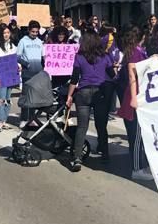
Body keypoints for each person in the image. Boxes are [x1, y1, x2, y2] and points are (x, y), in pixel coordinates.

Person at [65, 30, 115, 171]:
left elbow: (74, 79)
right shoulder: (105, 57)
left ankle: (77, 158)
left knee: (82, 127)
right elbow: (112, 75)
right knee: (101, 125)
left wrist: (69, 96)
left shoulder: (79, 57)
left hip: (83, 93)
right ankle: (105, 154)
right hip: (100, 93)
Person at [116, 25, 152, 181]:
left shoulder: (135, 51)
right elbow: (132, 76)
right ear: (141, 37)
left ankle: (139, 166)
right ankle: (136, 169)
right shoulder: (136, 53)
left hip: (135, 95)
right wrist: (134, 98)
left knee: (137, 135)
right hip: (134, 96)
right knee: (136, 136)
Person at [16, 20, 45, 127]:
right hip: (27, 73)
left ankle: (32, 118)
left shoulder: (39, 42)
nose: (35, 34)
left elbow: (43, 57)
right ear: (29, 30)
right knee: (25, 96)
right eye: (33, 32)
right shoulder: (23, 41)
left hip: (38, 73)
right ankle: (23, 119)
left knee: (34, 97)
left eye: (36, 32)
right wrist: (26, 64)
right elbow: (17, 57)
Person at [0, 22, 17, 132]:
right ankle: (0, 121)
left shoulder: (12, 46)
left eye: (8, 32)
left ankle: (4, 120)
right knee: (0, 99)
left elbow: (15, 60)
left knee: (7, 99)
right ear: (0, 34)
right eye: (4, 33)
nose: (6, 35)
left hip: (10, 74)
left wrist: (18, 66)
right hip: (0, 75)